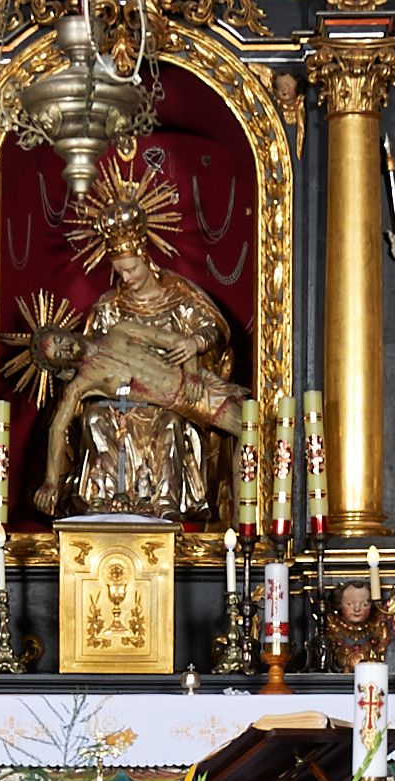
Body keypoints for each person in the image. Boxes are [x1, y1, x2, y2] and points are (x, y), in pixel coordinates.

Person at [24, 160, 245, 520]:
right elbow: (62, 421)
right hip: (130, 412)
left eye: (130, 268)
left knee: (244, 425)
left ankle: (240, 520)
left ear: (144, 256)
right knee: (96, 421)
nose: (125, 278)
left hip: (185, 391)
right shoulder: (106, 312)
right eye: (119, 271)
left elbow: (203, 331)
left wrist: (193, 350)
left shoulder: (165, 301)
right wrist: (50, 480)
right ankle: (107, 506)